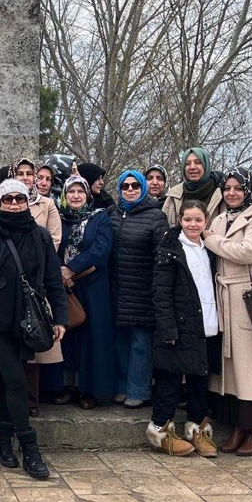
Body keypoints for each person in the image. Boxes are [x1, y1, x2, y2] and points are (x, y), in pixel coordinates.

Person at [0, 179, 68, 479]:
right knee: (16, 381)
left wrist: (60, 317)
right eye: (7, 199)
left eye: (18, 199)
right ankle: (30, 447)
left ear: (27, 202)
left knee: (14, 383)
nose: (13, 204)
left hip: (27, 320)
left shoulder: (40, 235)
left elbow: (52, 279)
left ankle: (1, 443)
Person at [204, 168, 252, 457]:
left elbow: (246, 252)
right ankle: (238, 424)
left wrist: (211, 239)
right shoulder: (222, 218)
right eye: (228, 188)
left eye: (238, 188)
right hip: (225, 298)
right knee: (232, 367)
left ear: (249, 190)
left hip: (251, 299)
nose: (232, 193)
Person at [148, 200, 219, 457]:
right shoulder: (170, 248)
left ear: (206, 222)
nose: (192, 224)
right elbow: (161, 292)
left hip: (206, 323)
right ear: (180, 220)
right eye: (188, 219)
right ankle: (161, 430)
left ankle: (197, 428)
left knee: (200, 379)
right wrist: (167, 328)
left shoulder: (209, 248)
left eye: (198, 220)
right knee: (170, 380)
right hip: (178, 326)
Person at [109, 170, 170, 408]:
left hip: (143, 289)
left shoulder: (156, 216)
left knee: (140, 343)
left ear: (143, 188)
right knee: (120, 340)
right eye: (125, 186)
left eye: (135, 185)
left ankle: (138, 389)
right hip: (117, 287)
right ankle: (121, 387)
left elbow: (161, 255)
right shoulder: (112, 214)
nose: (130, 189)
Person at [54, 175, 115, 410]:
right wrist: (60, 273)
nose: (76, 196)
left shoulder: (99, 218)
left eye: (80, 191)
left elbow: (101, 249)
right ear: (65, 195)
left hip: (92, 284)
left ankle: (89, 389)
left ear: (87, 195)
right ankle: (67, 385)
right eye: (71, 192)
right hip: (63, 285)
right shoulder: (59, 218)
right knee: (67, 335)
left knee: (92, 337)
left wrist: (71, 269)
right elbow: (53, 244)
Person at [0, 159, 62, 247]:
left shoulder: (47, 204)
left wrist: (42, 258)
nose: (25, 177)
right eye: (20, 174)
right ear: (12, 176)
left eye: (29, 174)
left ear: (34, 177)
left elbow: (54, 238)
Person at [163, 147, 225, 226]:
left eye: (198, 162)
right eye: (187, 164)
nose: (192, 167)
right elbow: (162, 225)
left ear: (206, 165)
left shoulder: (221, 193)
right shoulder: (174, 194)